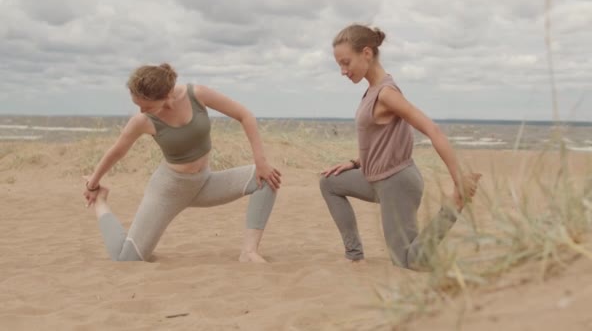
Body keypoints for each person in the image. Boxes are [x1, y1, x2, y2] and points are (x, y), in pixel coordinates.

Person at [319, 24, 481, 270]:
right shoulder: (371, 91)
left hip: (397, 182)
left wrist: (458, 177)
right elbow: (382, 140)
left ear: (366, 53)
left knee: (406, 261)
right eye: (339, 65)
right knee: (330, 182)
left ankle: (454, 204)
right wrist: (355, 163)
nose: (343, 71)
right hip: (374, 178)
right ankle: (355, 255)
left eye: (346, 62)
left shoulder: (387, 93)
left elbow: (432, 130)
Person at [83, 63, 281, 263]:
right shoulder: (142, 121)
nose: (141, 110)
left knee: (266, 179)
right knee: (126, 259)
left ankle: (249, 252)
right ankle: (101, 202)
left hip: (204, 183)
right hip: (168, 192)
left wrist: (261, 161)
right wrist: (93, 184)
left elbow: (245, 115)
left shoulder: (197, 94)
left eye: (147, 105)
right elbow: (117, 152)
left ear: (168, 95)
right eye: (137, 104)